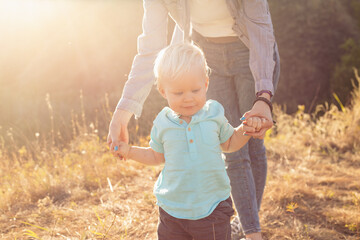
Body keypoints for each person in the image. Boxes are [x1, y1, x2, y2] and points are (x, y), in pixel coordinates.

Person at [108, 1, 280, 239]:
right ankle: (251, 228)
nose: (187, 99)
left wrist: (262, 101)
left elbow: (261, 27)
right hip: (204, 53)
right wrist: (123, 114)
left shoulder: (212, 112)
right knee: (236, 158)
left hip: (249, 48)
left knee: (252, 145)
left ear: (204, 86)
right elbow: (151, 49)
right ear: (164, 92)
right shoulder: (165, 122)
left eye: (192, 93)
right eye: (178, 93)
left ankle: (250, 228)